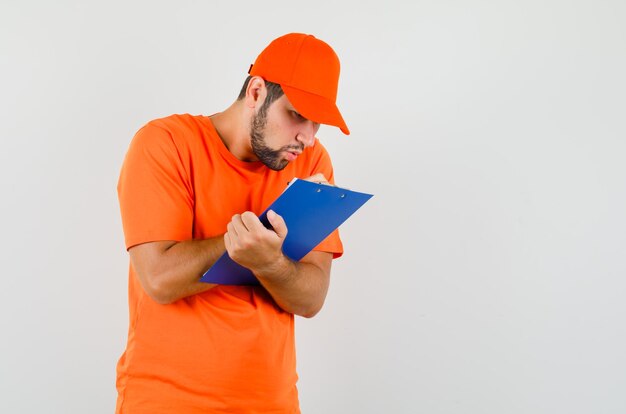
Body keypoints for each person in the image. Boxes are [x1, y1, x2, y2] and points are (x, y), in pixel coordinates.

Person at [115, 33, 350, 413]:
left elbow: (311, 298)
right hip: (166, 401)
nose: (306, 137)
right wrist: (239, 244)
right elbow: (159, 279)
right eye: (296, 115)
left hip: (272, 402)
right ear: (256, 92)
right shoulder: (165, 143)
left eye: (317, 123)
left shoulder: (310, 162)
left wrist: (271, 262)